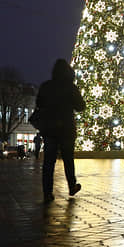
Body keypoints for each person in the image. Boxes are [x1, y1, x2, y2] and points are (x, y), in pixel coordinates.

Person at [35, 59, 84, 203]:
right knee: (68, 159)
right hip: (67, 129)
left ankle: (47, 192)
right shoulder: (71, 87)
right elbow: (81, 106)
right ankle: (71, 186)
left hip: (50, 129)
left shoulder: (46, 86)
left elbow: (39, 103)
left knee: (49, 162)